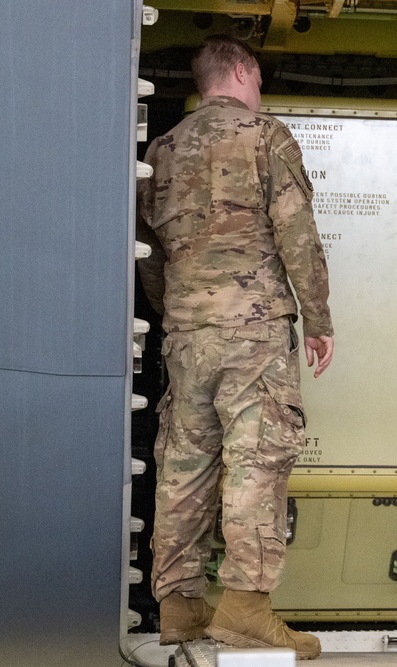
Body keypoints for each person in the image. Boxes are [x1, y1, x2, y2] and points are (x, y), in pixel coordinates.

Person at [136, 35, 334, 660]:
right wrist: (319, 318)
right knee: (256, 463)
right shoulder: (266, 136)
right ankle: (246, 609)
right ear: (243, 71)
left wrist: (179, 314)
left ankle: (180, 606)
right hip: (254, 335)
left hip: (187, 334)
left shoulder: (162, 150)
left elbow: (150, 255)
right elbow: (297, 233)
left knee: (184, 466)